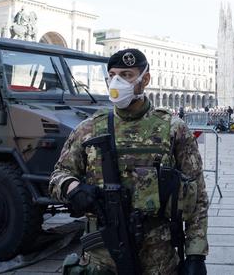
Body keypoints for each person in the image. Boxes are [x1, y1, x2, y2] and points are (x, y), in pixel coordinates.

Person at [49, 49, 208, 274]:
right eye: (112, 75)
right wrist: (73, 188)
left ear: (145, 79)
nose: (116, 82)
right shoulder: (88, 128)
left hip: (159, 260)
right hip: (101, 259)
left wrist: (196, 255)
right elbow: (58, 175)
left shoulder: (173, 129)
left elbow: (197, 195)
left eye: (126, 75)